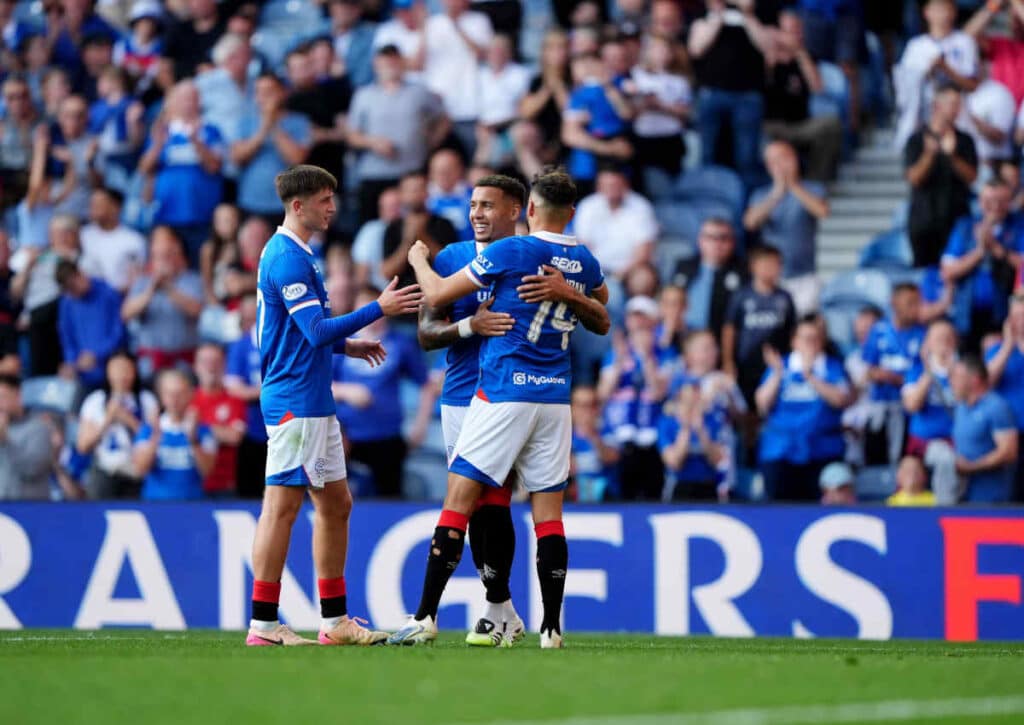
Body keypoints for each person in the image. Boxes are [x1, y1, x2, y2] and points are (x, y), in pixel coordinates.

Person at [392, 168, 609, 649]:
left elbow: (433, 293)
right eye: (472, 205)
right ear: (571, 211)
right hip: (537, 394)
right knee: (540, 513)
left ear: (523, 210)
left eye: (487, 205)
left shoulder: (515, 251)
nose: (476, 213)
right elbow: (428, 333)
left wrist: (417, 259)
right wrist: (471, 325)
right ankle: (539, 625)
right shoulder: (579, 257)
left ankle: (428, 616)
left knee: (465, 504)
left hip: (503, 391)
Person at [247, 165, 421, 647]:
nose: (332, 206)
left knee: (335, 502)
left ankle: (334, 620)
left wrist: (350, 347)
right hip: (294, 402)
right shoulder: (286, 259)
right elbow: (315, 331)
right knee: (281, 507)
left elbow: (297, 334)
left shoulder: (301, 253)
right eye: (324, 199)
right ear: (297, 206)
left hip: (313, 400)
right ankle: (263, 623)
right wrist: (377, 312)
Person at [347, 45, 450, 224]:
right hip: (374, 174)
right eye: (385, 62)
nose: (390, 66)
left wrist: (432, 142)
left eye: (394, 61)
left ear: (402, 63)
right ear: (376, 65)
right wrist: (373, 143)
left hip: (412, 172)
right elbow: (352, 135)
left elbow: (443, 118)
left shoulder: (419, 92)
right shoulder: (364, 95)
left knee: (416, 223)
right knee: (373, 225)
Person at [756, 315, 854, 501]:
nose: (810, 343)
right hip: (782, 451)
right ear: (794, 341)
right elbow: (762, 403)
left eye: (815, 338)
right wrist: (777, 374)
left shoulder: (831, 367)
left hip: (822, 451)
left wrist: (810, 376)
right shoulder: (780, 366)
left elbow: (840, 399)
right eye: (805, 338)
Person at [137, 80, 225, 265]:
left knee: (200, 264)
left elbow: (215, 166)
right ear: (173, 101)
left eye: (192, 98)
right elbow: (144, 168)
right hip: (166, 215)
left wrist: (196, 141)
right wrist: (158, 144)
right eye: (183, 98)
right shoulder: (161, 131)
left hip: (201, 215)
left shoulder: (210, 130)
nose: (188, 103)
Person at [688, 0, 770, 190]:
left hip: (747, 96)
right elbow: (696, 49)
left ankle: (747, 201)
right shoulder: (703, 20)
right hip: (712, 94)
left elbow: (767, 47)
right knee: (708, 153)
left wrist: (748, 15)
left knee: (747, 156)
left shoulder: (756, 19)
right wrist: (717, 15)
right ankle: (708, 196)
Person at [743, 140, 829, 311]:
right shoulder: (761, 194)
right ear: (768, 166)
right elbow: (750, 222)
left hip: (805, 275)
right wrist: (776, 194)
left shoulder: (813, 188)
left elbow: (822, 211)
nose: (781, 164)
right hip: (772, 278)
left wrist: (793, 186)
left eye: (785, 158)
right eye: (775, 160)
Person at [598, 296, 668, 501]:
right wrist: (620, 361)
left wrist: (646, 357)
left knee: (651, 495)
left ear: (653, 321)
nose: (637, 322)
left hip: (651, 437)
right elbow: (603, 394)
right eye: (633, 317)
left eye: (642, 317)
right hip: (620, 436)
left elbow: (658, 392)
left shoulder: (664, 353)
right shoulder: (615, 353)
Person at [941, 179, 1022, 350]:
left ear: (1009, 202)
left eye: (1000, 201)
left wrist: (997, 250)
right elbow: (947, 271)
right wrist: (979, 252)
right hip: (966, 316)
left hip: (1003, 315)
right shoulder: (964, 227)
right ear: (980, 201)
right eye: (989, 201)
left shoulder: (1019, 226)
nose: (995, 206)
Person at [763, 10, 843, 182]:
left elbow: (817, 88)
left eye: (799, 30)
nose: (796, 35)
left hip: (800, 124)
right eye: (791, 30)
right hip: (772, 124)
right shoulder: (768, 56)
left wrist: (799, 52)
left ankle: (815, 182)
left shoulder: (805, 57)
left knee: (831, 124)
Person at [904, 84, 979, 268]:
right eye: (952, 104)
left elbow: (972, 177)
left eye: (958, 104)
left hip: (956, 219)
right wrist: (929, 154)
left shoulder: (964, 140)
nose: (957, 110)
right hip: (924, 221)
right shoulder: (917, 139)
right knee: (924, 274)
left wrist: (952, 157)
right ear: (937, 106)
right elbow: (913, 178)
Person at [894, 0, 980, 151]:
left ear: (954, 12)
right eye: (938, 9)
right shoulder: (916, 46)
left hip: (959, 116)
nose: (943, 15)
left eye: (947, 9)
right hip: (923, 116)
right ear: (927, 12)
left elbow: (972, 84)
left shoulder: (964, 42)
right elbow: (904, 89)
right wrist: (927, 72)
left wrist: (946, 69)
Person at [121, 227, 204, 380]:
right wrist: (151, 289)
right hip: (150, 362)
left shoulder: (192, 280)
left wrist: (168, 288)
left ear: (179, 255)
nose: (165, 261)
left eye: (169, 255)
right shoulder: (143, 282)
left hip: (183, 362)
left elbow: (197, 310)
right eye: (159, 256)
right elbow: (126, 313)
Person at [721, 244, 797, 408]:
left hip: (774, 364)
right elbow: (729, 329)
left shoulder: (784, 298)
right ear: (753, 266)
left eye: (776, 264)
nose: (771, 269)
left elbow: (792, 330)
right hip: (746, 363)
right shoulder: (741, 296)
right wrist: (728, 361)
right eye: (766, 264)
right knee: (746, 406)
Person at [860, 284, 927, 466]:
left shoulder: (923, 334)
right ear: (894, 303)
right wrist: (876, 374)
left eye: (917, 302)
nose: (915, 307)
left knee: (902, 461)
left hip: (907, 410)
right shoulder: (878, 331)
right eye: (910, 303)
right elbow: (868, 370)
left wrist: (894, 378)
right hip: (879, 406)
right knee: (874, 459)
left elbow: (925, 374)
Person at [76, 351, 157, 499]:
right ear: (107, 372)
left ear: (135, 371)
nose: (122, 375)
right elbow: (83, 446)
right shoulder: (95, 401)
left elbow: (153, 440)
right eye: (117, 369)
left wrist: (129, 420)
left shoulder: (146, 400)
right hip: (105, 471)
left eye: (126, 369)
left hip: (137, 473)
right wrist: (108, 419)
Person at [231, 74, 312, 222]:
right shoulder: (246, 122)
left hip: (286, 204)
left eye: (269, 92)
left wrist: (273, 125)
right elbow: (238, 157)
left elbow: (297, 158)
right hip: (250, 202)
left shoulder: (299, 122)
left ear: (282, 93)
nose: (263, 97)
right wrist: (264, 128)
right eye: (258, 92)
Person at [419, 0, 494, 157]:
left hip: (468, 103)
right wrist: (422, 28)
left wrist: (456, 25)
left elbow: (483, 55)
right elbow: (419, 62)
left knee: (471, 156)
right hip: (439, 101)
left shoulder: (480, 20)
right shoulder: (432, 23)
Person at [9, 213, 81, 376]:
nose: (61, 238)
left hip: (61, 313)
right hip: (35, 315)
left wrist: (69, 260)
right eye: (57, 233)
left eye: (66, 233)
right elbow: (14, 291)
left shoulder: (81, 258)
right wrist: (28, 266)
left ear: (74, 235)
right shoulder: (36, 256)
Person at [133, 368, 216, 501]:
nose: (174, 399)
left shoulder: (203, 431)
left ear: (190, 394)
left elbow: (207, 471)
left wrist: (193, 440)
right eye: (169, 394)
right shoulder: (149, 430)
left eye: (180, 393)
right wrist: (155, 437)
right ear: (161, 396)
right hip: (155, 504)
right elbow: (140, 469)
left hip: (192, 505)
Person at [561, 51, 633, 197]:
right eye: (580, 66)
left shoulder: (616, 84)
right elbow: (570, 135)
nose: (588, 69)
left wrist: (609, 87)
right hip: (588, 166)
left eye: (591, 64)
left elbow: (627, 113)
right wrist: (610, 148)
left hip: (620, 157)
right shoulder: (578, 96)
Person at [952, 355, 1018, 503]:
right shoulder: (961, 408)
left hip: (992, 499)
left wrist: (972, 467)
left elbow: (1008, 452)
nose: (952, 381)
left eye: (957, 376)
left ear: (974, 379)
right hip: (963, 494)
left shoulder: (996, 407)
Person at [574, 166, 658, 280]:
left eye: (614, 185)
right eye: (606, 185)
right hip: (596, 266)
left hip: (631, 268)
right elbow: (582, 245)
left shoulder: (641, 206)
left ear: (625, 184)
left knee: (643, 279)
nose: (611, 189)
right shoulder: (587, 206)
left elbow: (644, 250)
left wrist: (622, 272)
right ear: (598, 186)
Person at [379, 172, 457, 293]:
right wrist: (407, 241)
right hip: (403, 299)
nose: (415, 194)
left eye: (420, 188)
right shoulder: (392, 228)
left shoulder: (444, 224)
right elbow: (387, 272)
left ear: (427, 192)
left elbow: (451, 266)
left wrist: (423, 236)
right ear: (401, 194)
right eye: (410, 190)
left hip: (439, 296)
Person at [56, 259, 126, 389]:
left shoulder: (108, 293)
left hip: (111, 372)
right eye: (69, 290)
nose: (73, 292)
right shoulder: (67, 303)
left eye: (73, 286)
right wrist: (72, 363)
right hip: (82, 377)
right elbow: (67, 338)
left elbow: (119, 332)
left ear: (80, 274)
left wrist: (97, 354)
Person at [671, 218, 747, 336]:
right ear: (700, 240)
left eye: (723, 238)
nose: (717, 244)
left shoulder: (744, 272)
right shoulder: (683, 267)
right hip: (683, 337)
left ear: (733, 242)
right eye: (710, 237)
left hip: (721, 340)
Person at [659, 379, 729, 502]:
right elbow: (674, 462)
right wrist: (685, 427)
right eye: (692, 389)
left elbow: (718, 460)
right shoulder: (667, 422)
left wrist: (701, 430)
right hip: (679, 487)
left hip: (708, 486)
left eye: (698, 389)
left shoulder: (712, 420)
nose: (696, 394)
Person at [191, 342, 247, 497]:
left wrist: (198, 427)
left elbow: (234, 437)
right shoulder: (187, 399)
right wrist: (218, 431)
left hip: (223, 485)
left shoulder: (234, 400)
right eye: (205, 362)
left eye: (216, 362)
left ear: (224, 365)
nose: (211, 367)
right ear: (195, 366)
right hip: (190, 484)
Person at [225, 294, 265, 499]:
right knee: (251, 489)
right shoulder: (240, 346)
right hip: (252, 426)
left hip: (286, 425)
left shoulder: (286, 341)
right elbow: (233, 386)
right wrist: (269, 392)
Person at [985, 293, 1024, 501]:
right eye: (1017, 316)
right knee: (1011, 495)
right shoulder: (996, 351)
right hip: (1007, 436)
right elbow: (986, 382)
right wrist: (1009, 345)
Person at [0, 374, 63, 500]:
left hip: (30, 508)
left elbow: (33, 468)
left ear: (18, 395)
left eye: (2, 397)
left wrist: (5, 440)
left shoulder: (39, 427)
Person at [79, 187, 146, 294]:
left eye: (99, 204)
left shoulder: (133, 240)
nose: (92, 208)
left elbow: (136, 280)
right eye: (92, 203)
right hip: (84, 299)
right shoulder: (83, 234)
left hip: (118, 298)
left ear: (115, 207)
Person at [352, 187, 402, 291]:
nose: (393, 211)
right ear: (381, 208)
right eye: (388, 207)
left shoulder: (410, 228)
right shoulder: (370, 230)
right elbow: (361, 270)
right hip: (376, 291)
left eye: (396, 206)